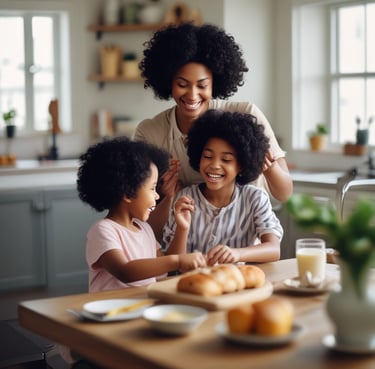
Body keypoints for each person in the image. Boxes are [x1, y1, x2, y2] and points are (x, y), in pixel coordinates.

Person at [134, 22, 292, 239]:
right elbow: (143, 226)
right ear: (168, 82)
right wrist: (169, 196)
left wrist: (268, 167)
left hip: (248, 253)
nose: (192, 94)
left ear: (215, 83)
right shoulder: (150, 133)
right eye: (182, 84)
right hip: (188, 252)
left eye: (202, 85)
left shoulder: (246, 114)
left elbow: (284, 193)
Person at [76, 137, 206, 293]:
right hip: (109, 310)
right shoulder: (102, 231)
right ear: (128, 193)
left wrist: (182, 228)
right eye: (152, 188)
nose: (157, 196)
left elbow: (163, 268)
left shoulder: (145, 229)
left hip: (139, 307)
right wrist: (177, 260)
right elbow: (125, 271)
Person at [163, 110, 283, 265]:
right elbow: (170, 263)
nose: (214, 165)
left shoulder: (255, 199)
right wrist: (182, 228)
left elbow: (274, 249)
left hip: (235, 284)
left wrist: (237, 254)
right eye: (207, 157)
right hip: (192, 284)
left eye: (226, 159)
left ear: (241, 165)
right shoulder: (185, 199)